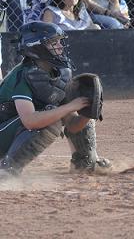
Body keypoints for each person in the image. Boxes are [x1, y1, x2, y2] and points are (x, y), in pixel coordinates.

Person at [0, 21, 111, 176]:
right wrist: (69, 107)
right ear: (36, 46)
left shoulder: (58, 74)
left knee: (66, 111)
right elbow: (30, 121)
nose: (59, 45)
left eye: (59, 41)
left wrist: (86, 113)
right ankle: (7, 169)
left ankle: (84, 163)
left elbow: (72, 124)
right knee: (51, 116)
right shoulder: (22, 76)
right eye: (53, 42)